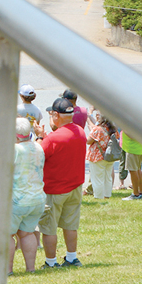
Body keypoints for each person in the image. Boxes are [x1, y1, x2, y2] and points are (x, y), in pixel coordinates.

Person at [40, 97, 87, 266]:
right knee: (70, 224)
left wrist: (40, 138)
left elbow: (38, 156)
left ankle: (51, 262)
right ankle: (72, 257)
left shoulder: (53, 138)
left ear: (56, 115)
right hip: (75, 186)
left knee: (48, 227)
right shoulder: (81, 132)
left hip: (55, 188)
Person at [10, 117, 46, 274]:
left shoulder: (14, 150)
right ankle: (30, 268)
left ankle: (8, 270)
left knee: (7, 235)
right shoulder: (38, 147)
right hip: (37, 198)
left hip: (17, 199)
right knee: (27, 233)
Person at [84, 111, 115, 200]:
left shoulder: (98, 129)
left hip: (97, 156)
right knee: (107, 177)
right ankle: (107, 195)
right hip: (110, 156)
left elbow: (88, 141)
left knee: (97, 179)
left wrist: (91, 130)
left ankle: (98, 197)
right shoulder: (113, 129)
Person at [120, 128, 142, 200]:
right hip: (140, 147)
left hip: (132, 148)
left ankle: (135, 194)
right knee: (138, 169)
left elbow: (132, 135)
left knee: (133, 170)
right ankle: (141, 192)